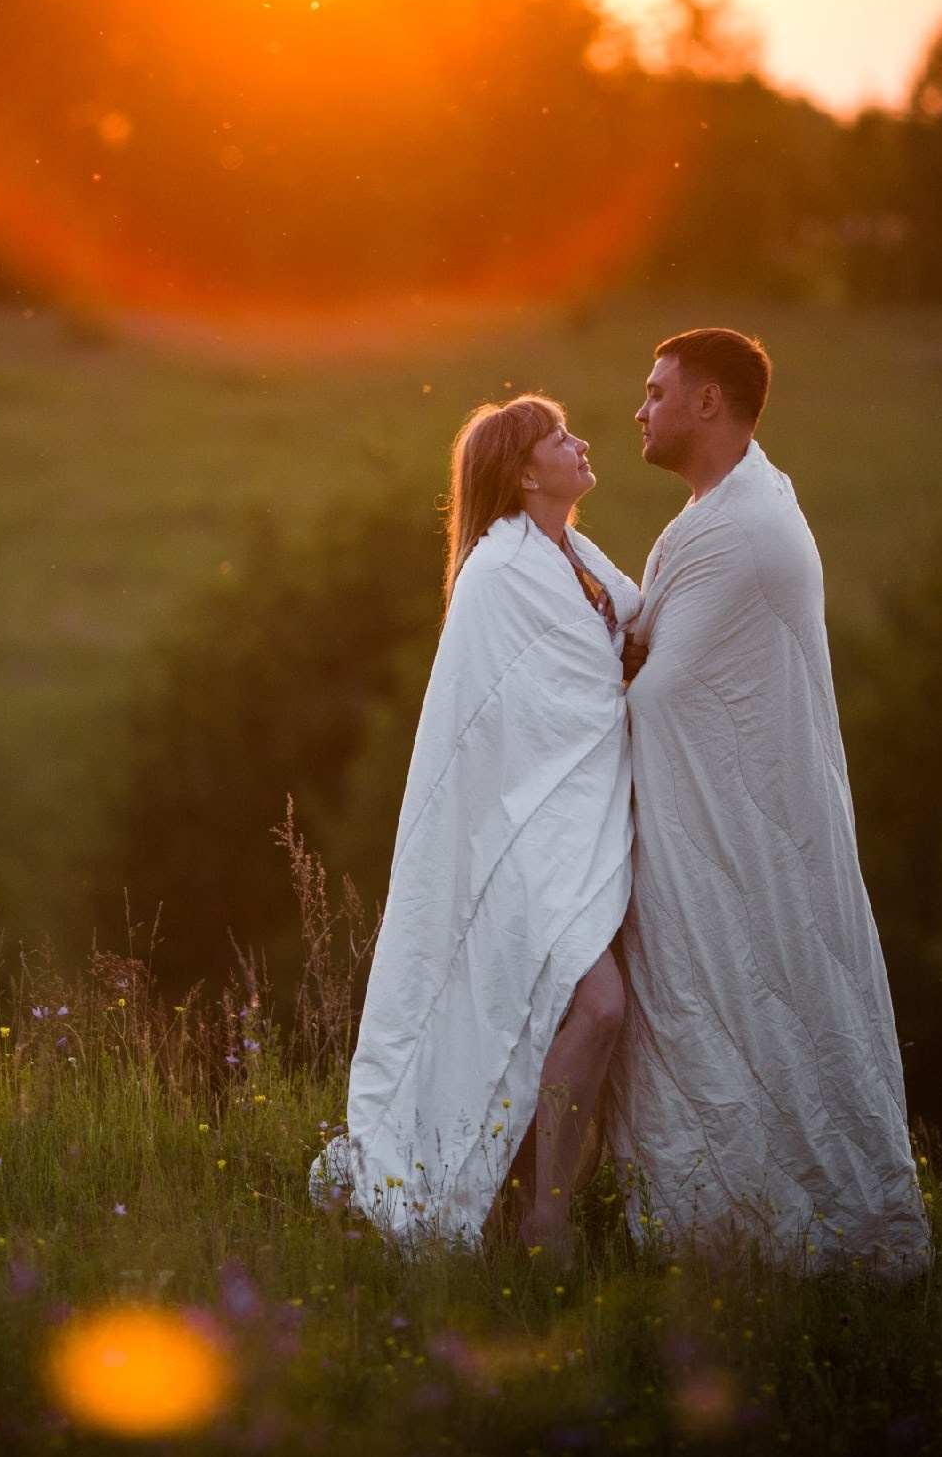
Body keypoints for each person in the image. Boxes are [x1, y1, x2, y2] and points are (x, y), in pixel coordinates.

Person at [605, 328, 930, 1277]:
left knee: (764, 1001)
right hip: (732, 815)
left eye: (658, 390)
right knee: (741, 1009)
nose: (642, 408)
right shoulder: (714, 511)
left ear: (709, 402)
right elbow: (657, 649)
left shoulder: (742, 525)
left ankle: (765, 1227)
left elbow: (663, 695)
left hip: (747, 825)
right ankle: (735, 1219)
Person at [311, 394, 638, 1253]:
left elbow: (607, 667)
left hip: (575, 829)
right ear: (526, 472)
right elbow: (512, 726)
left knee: (582, 1011)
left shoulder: (577, 557)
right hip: (518, 842)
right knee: (600, 1007)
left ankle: (533, 1200)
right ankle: (547, 1223)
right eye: (562, 439)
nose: (583, 442)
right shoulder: (497, 576)